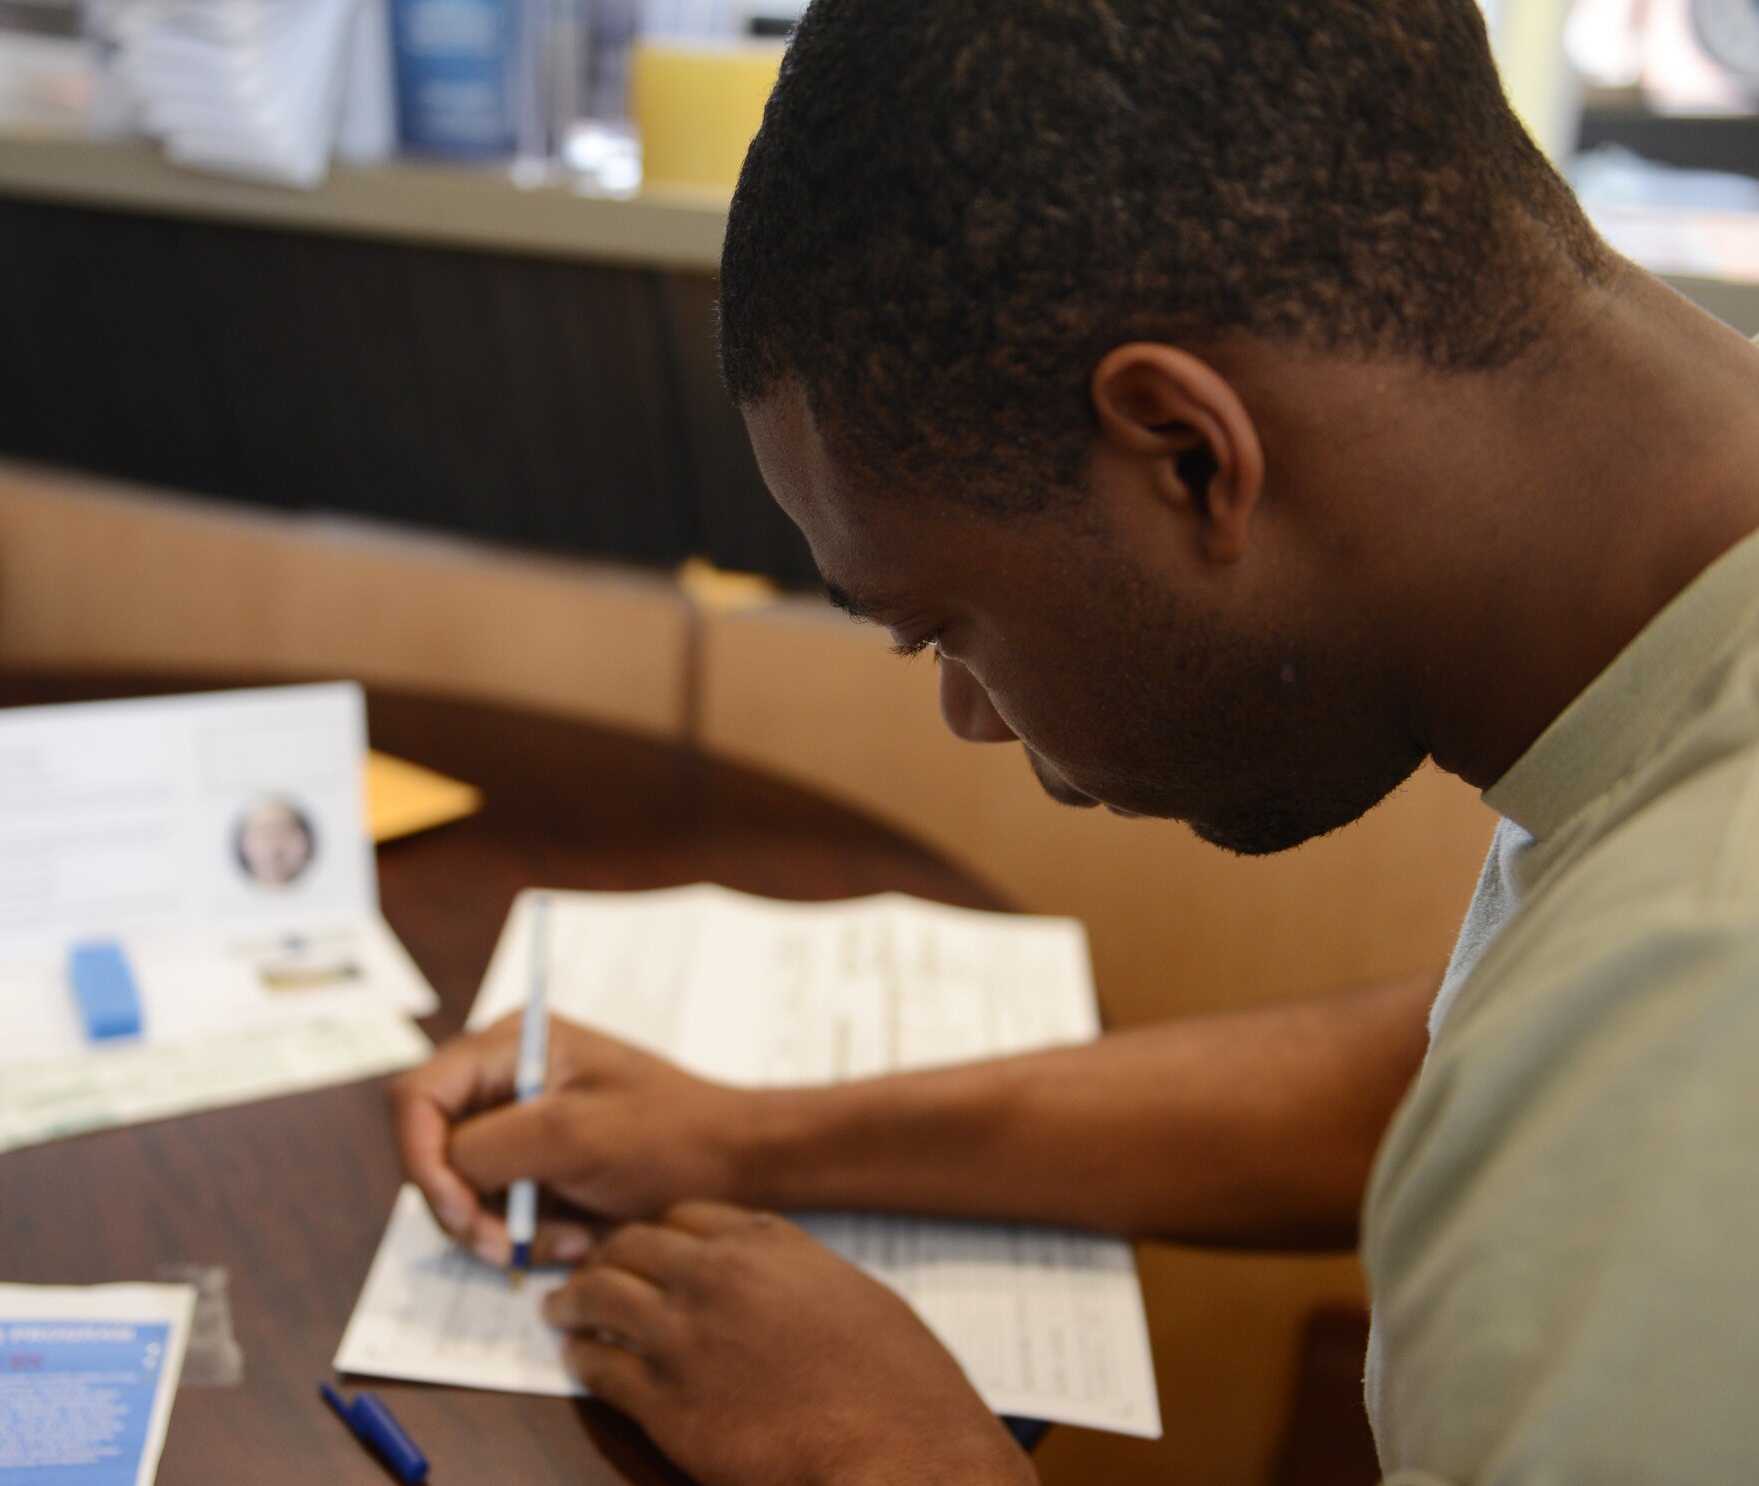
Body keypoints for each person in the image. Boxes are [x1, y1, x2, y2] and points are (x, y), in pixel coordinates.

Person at [391, 1, 1759, 1481]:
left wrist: (899, 1453)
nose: (968, 712)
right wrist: (745, 1134)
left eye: (940, 623)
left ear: (1188, 454)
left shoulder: (1690, 1016)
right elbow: (1448, 1072)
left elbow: (1601, 1083)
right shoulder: (1666, 618)